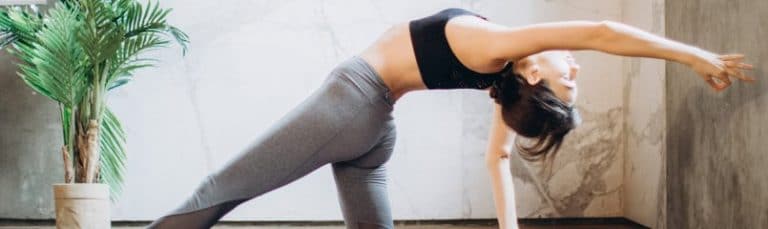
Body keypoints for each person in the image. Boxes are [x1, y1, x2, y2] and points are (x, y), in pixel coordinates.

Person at [148, 8, 753, 229]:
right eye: (577, 74)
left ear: (537, 77)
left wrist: (693, 56)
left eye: (569, 75)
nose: (575, 65)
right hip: (372, 130)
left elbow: (597, 32)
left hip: (352, 103)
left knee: (217, 192)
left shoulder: (503, 54)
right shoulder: (500, 75)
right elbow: (496, 157)